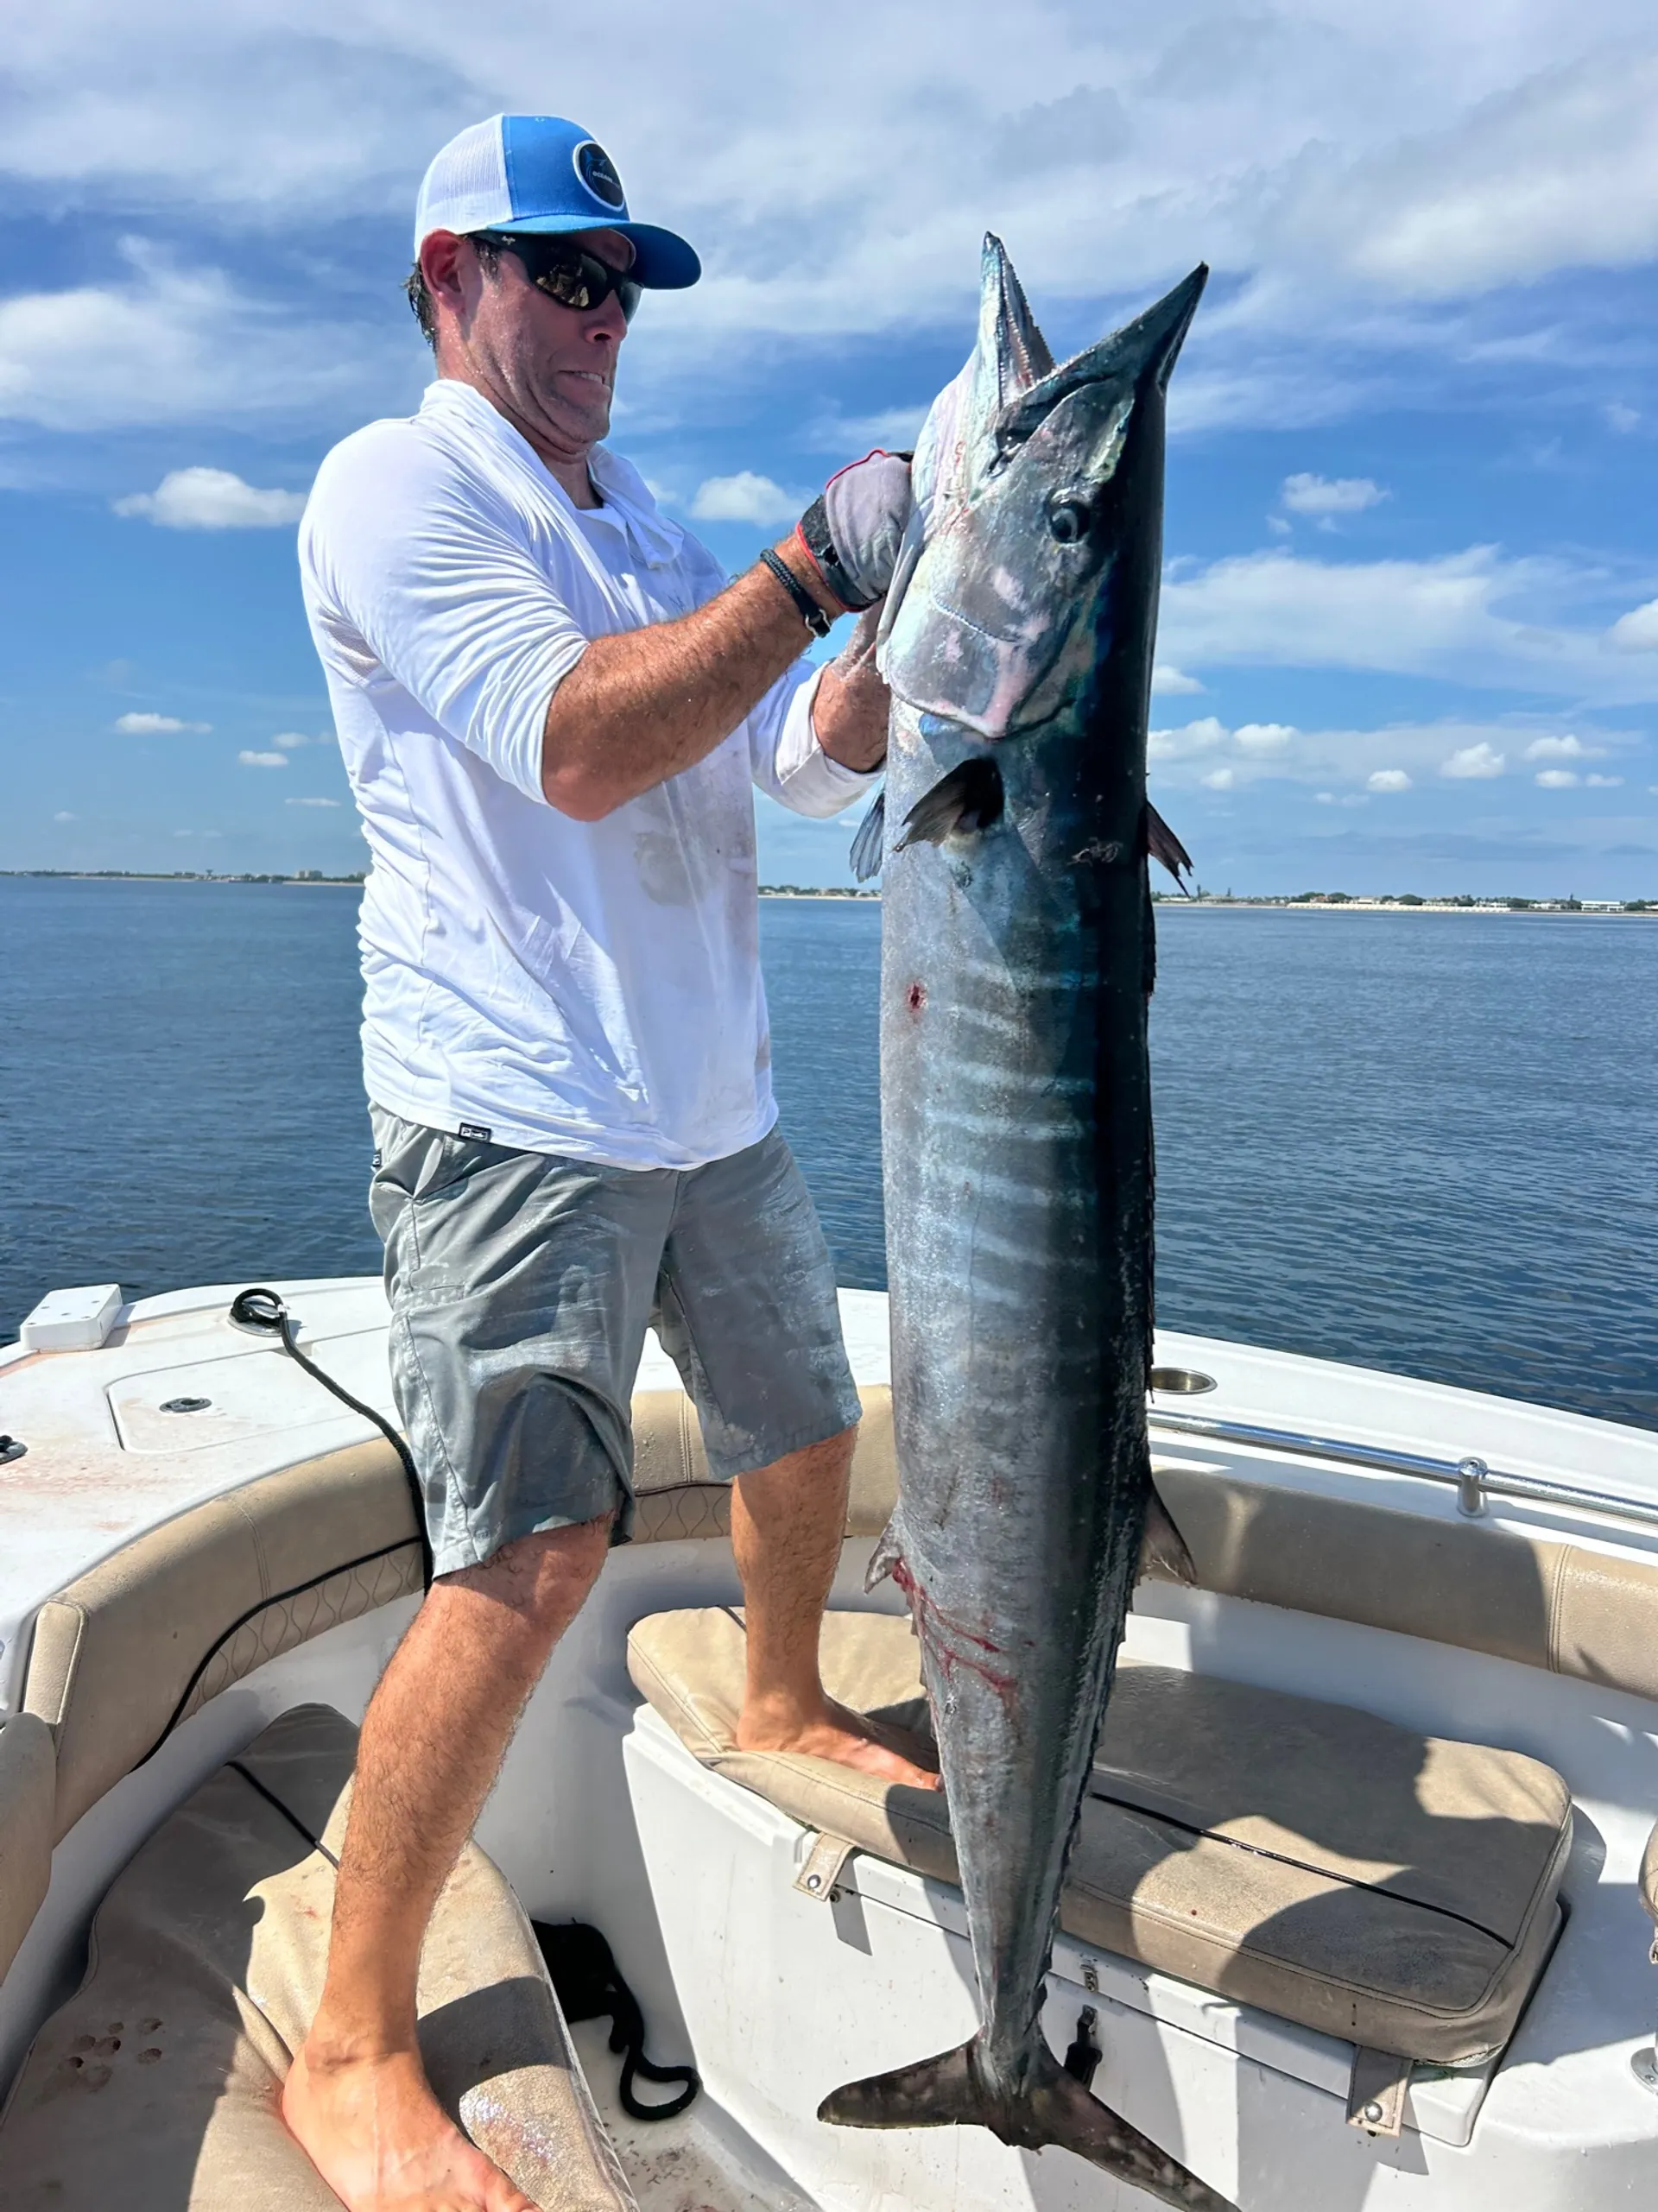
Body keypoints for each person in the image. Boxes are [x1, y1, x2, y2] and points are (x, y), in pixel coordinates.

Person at [282, 114, 932, 2212]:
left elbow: (752, 750)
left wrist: (864, 687)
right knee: (529, 1559)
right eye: (562, 275)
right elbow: (575, 739)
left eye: (622, 282)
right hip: (516, 1120)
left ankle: (777, 1693)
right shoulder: (394, 489)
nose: (602, 319)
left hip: (709, 1104)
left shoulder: (639, 513)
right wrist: (811, 568)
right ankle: (356, 2041)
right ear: (446, 281)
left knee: (804, 1422)